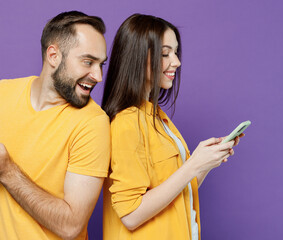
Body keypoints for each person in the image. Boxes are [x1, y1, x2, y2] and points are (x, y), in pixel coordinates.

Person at [0, 11, 110, 240]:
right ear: (53, 55)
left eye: (101, 64)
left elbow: (71, 226)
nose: (98, 76)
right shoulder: (1, 92)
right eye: (88, 62)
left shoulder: (93, 123)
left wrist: (6, 170)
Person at [102, 14, 243, 240]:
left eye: (175, 53)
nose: (176, 61)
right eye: (165, 53)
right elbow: (130, 214)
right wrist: (193, 164)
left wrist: (204, 163)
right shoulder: (126, 122)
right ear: (137, 57)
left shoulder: (157, 118)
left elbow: (176, 190)